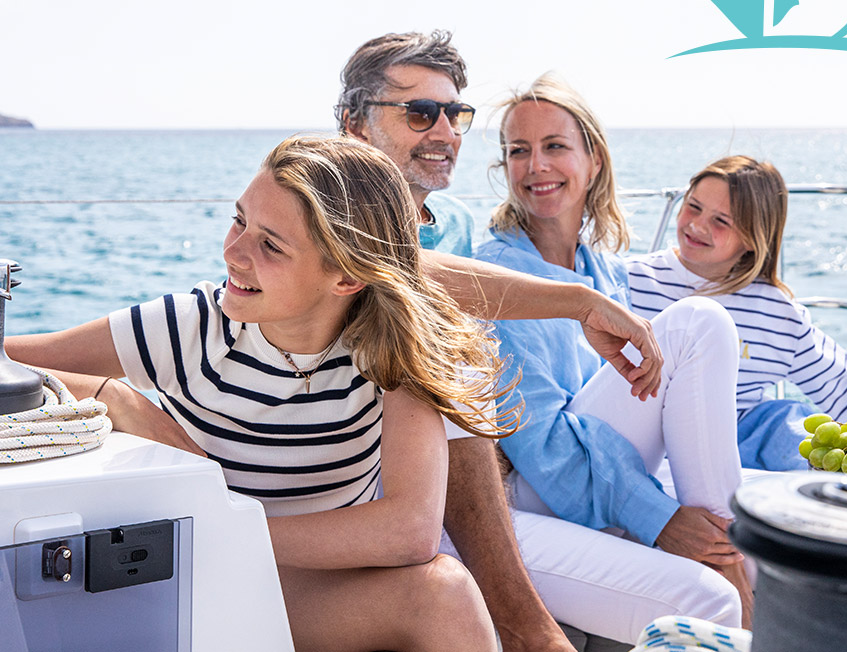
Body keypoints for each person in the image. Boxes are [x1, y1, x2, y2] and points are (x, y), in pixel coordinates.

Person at [8, 135, 512, 651]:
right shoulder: (191, 327)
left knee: (446, 595)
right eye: (239, 220)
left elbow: (409, 530)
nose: (233, 252)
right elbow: (8, 364)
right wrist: (117, 398)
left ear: (345, 277)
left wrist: (221, 524)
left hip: (307, 594)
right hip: (189, 589)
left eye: (271, 245)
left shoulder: (390, 351)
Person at [336, 32, 737, 648]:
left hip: (481, 477)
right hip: (435, 496)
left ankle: (728, 545)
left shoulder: (458, 225)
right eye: (420, 112)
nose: (443, 131)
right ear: (354, 123)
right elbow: (401, 270)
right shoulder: (331, 218)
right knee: (709, 595)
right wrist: (577, 302)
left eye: (454, 114)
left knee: (702, 325)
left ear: (594, 160)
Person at [474, 73, 752, 641]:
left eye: (554, 146)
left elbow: (632, 411)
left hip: (594, 479)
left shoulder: (604, 272)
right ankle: (730, 571)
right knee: (698, 322)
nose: (535, 166)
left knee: (698, 327)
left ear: (594, 159)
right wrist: (661, 518)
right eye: (518, 151)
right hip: (533, 488)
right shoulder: (499, 278)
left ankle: (729, 559)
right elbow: (542, 445)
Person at [627, 155, 847, 471]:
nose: (697, 225)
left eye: (721, 221)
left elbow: (845, 383)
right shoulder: (628, 280)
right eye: (694, 206)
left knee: (786, 421)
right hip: (639, 443)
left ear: (752, 238)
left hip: (730, 449)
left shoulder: (776, 314)